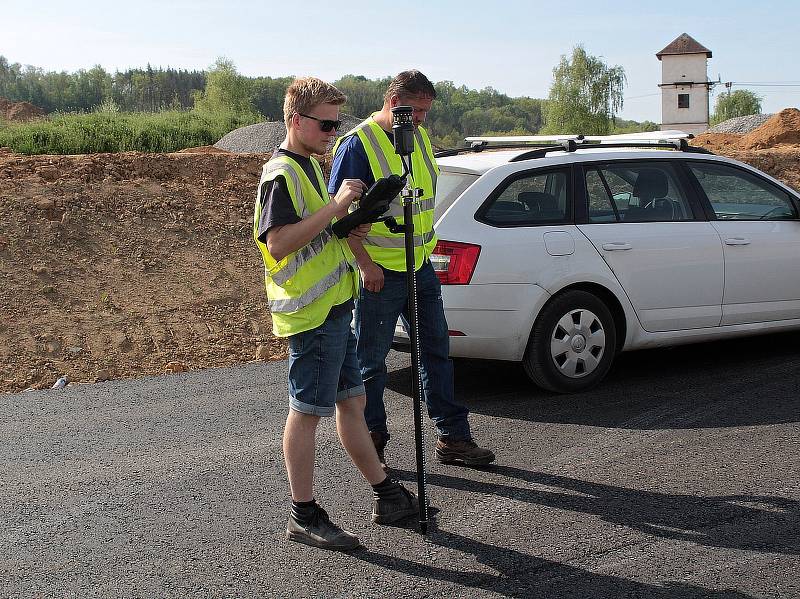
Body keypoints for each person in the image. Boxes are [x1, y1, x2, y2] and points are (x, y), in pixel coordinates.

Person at [253, 77, 418, 552]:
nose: (332, 131)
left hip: (333, 308)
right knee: (307, 413)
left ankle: (387, 493)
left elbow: (317, 231)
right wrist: (340, 205)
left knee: (352, 403)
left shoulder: (307, 166)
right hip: (311, 315)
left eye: (336, 123)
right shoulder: (280, 174)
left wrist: (351, 220)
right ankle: (303, 514)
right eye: (325, 123)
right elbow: (280, 243)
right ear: (295, 120)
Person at [328, 70, 495, 471]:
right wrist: (364, 264)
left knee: (436, 352)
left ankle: (453, 437)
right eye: (412, 110)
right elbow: (338, 216)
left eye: (424, 111)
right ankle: (372, 446)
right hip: (379, 272)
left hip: (419, 265)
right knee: (371, 362)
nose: (418, 118)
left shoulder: (417, 139)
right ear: (391, 100)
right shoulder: (357, 144)